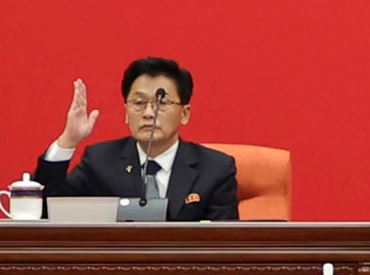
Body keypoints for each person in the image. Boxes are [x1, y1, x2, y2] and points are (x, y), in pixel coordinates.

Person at [31, 58, 240, 220]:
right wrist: (68, 141)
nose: (149, 113)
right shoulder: (101, 161)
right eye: (139, 103)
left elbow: (225, 245)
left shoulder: (215, 168)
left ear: (185, 113)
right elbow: (45, 210)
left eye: (161, 103)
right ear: (126, 112)